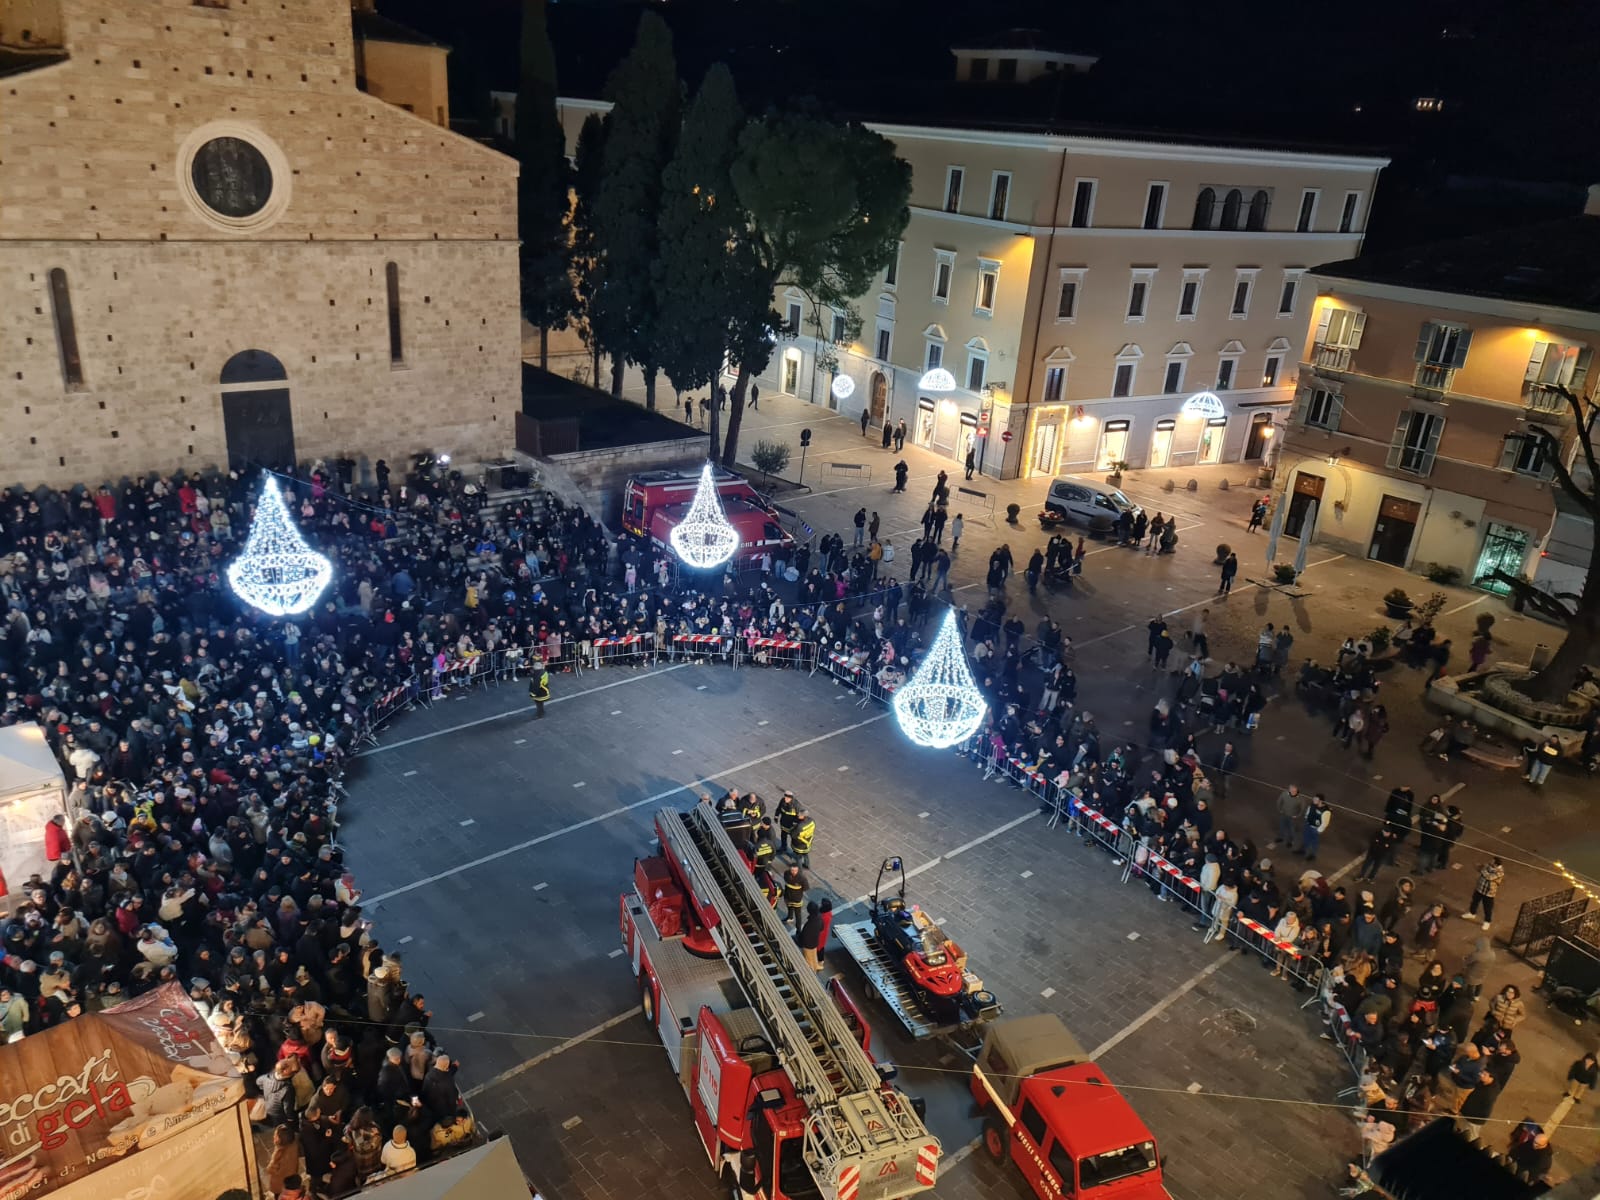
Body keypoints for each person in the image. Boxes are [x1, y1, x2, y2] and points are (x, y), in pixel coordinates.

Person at [1465, 857, 1504, 931]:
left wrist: (1483, 870)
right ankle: (1472, 913)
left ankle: (1487, 921)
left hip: (1489, 892)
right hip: (1480, 888)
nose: (1490, 862)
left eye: (1492, 861)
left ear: (1496, 864)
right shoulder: (1488, 866)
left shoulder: (1500, 872)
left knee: (1487, 908)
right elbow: (1481, 869)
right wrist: (1478, 867)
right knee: (1474, 901)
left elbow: (1489, 877)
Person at [798, 901, 825, 970]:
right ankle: (816, 966)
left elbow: (804, 936)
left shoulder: (809, 924)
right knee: (814, 956)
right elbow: (822, 928)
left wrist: (800, 942)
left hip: (808, 945)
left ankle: (812, 971)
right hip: (815, 942)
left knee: (809, 961)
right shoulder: (819, 918)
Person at [782, 865, 808, 933]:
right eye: (792, 870)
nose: (793, 872)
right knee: (789, 907)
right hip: (788, 896)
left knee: (798, 915)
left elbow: (805, 888)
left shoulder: (802, 879)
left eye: (795, 870)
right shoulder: (786, 874)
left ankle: (798, 930)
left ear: (798, 870)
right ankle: (790, 917)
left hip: (797, 899)